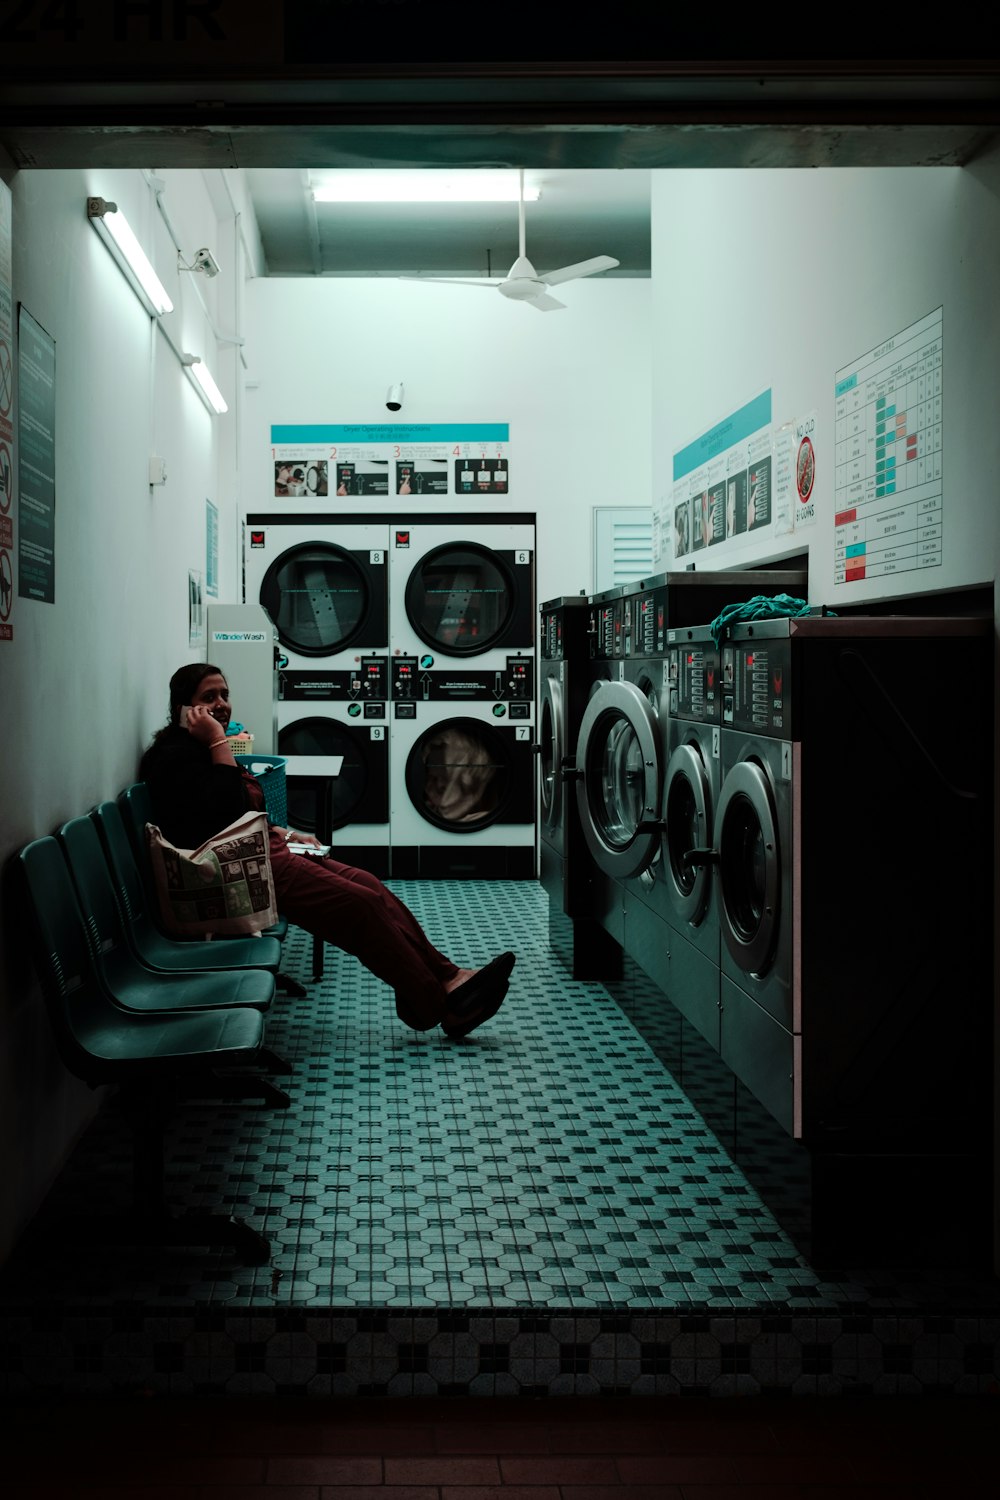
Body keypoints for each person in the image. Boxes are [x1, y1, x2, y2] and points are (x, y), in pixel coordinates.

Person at [139, 663, 515, 1038]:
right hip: (234, 873)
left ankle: (450, 975)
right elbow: (220, 815)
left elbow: (231, 811)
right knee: (358, 905)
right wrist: (219, 741)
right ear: (185, 709)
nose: (221, 704)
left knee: (368, 884)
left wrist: (282, 831)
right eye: (209, 697)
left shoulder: (203, 746)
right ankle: (435, 1004)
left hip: (263, 852)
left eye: (224, 694)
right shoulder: (175, 756)